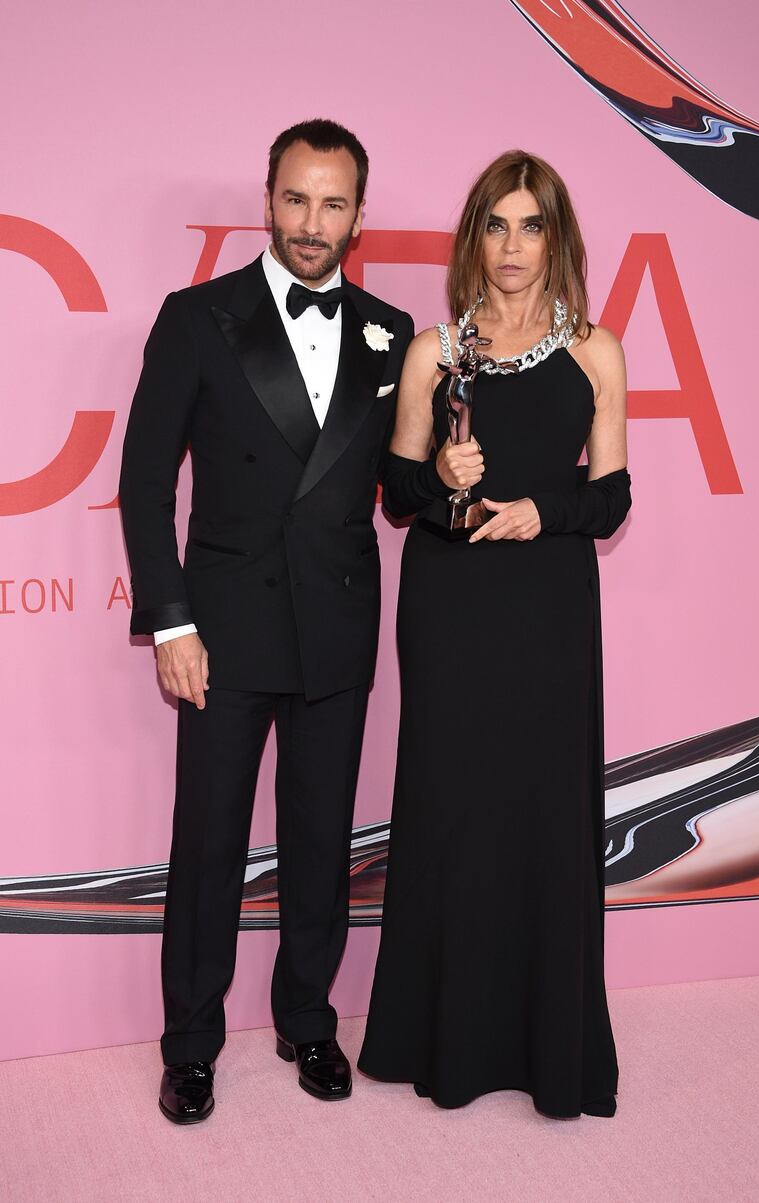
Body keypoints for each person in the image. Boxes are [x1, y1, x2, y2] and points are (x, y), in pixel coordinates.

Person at [119, 119, 414, 1123]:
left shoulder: (393, 331)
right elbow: (144, 483)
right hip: (224, 629)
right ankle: (192, 1041)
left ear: (358, 216)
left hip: (335, 625)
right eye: (296, 199)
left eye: (333, 204)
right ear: (267, 198)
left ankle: (307, 1020)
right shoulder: (199, 316)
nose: (311, 222)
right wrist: (170, 624)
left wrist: (457, 481)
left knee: (320, 840)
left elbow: (402, 488)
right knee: (207, 843)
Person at [358, 150, 630, 1118]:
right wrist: (442, 474)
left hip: (549, 611)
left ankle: (548, 1047)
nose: (512, 247)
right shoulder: (435, 353)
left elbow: (608, 497)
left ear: (555, 237)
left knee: (542, 817)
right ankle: (442, 1040)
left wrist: (537, 514)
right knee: (451, 810)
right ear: (473, 235)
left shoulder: (595, 349)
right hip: (451, 608)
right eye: (495, 224)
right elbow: (394, 493)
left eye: (531, 225)